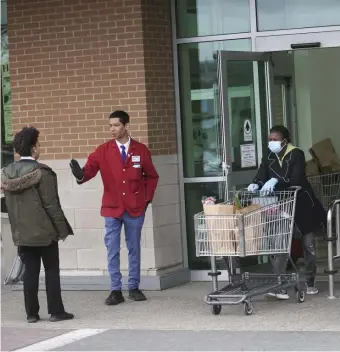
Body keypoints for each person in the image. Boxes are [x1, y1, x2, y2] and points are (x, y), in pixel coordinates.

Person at [69, 110, 159, 305]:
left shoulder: (141, 150)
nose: (112, 129)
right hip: (112, 208)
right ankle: (115, 290)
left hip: (135, 208)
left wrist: (146, 200)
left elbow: (152, 176)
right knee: (112, 248)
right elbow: (88, 172)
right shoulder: (103, 150)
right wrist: (79, 174)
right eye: (110, 126)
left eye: (116, 125)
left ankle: (134, 287)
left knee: (134, 247)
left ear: (126, 126)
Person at [1, 127, 74, 323]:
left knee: (30, 273)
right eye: (38, 145)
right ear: (34, 149)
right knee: (51, 270)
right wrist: (62, 230)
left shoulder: (6, 173)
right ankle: (56, 311)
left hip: (22, 233)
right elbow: (52, 205)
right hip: (45, 233)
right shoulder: (42, 172)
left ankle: (31, 314)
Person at [247, 125, 326, 299]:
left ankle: (310, 281)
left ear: (284, 140)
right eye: (269, 139)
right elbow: (261, 174)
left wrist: (276, 180)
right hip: (281, 204)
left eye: (274, 139)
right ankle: (279, 284)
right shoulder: (269, 156)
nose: (271, 142)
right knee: (280, 241)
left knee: (308, 243)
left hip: (303, 204)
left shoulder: (296, 154)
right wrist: (257, 183)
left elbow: (296, 177)